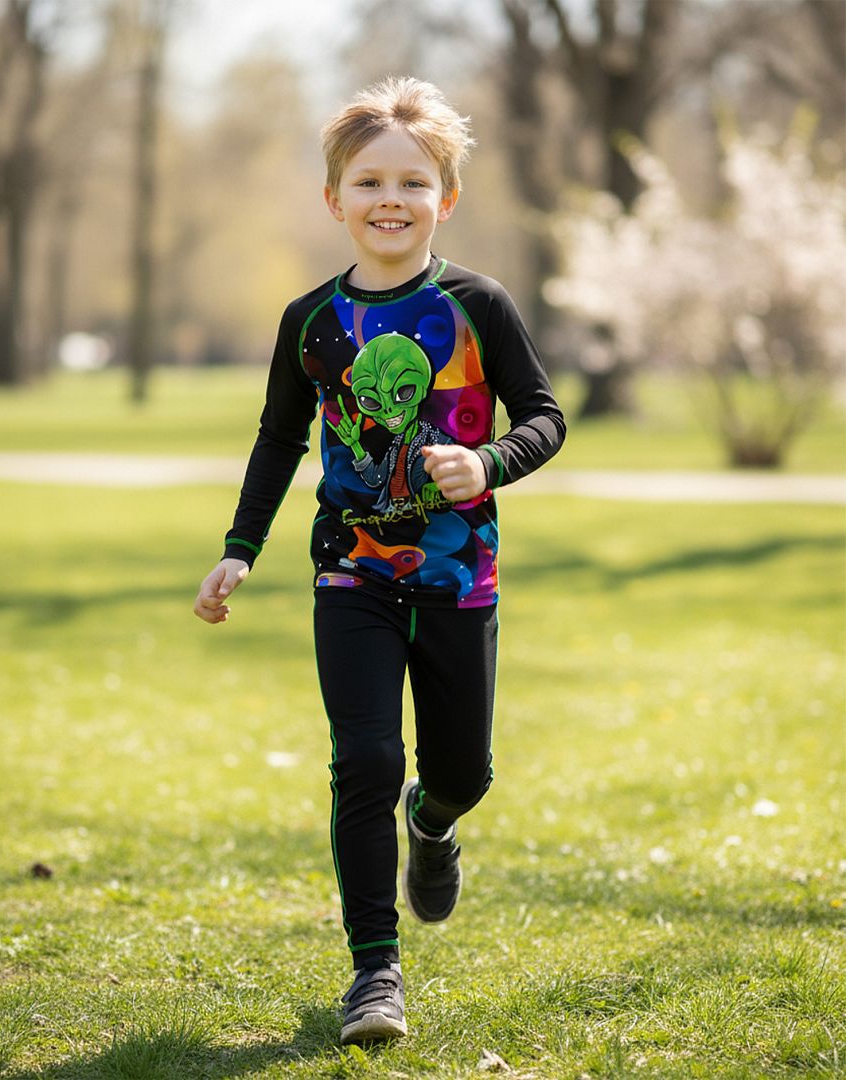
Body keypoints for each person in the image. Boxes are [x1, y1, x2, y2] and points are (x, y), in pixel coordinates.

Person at [194, 76, 566, 1044]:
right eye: (368, 182)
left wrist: (486, 463)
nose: (389, 199)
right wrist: (239, 550)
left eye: (411, 181)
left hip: (457, 575)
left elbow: (545, 417)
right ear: (335, 200)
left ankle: (432, 823)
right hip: (349, 571)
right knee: (362, 759)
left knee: (462, 773)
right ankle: (375, 974)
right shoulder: (310, 320)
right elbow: (280, 437)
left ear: (447, 197)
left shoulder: (477, 304)